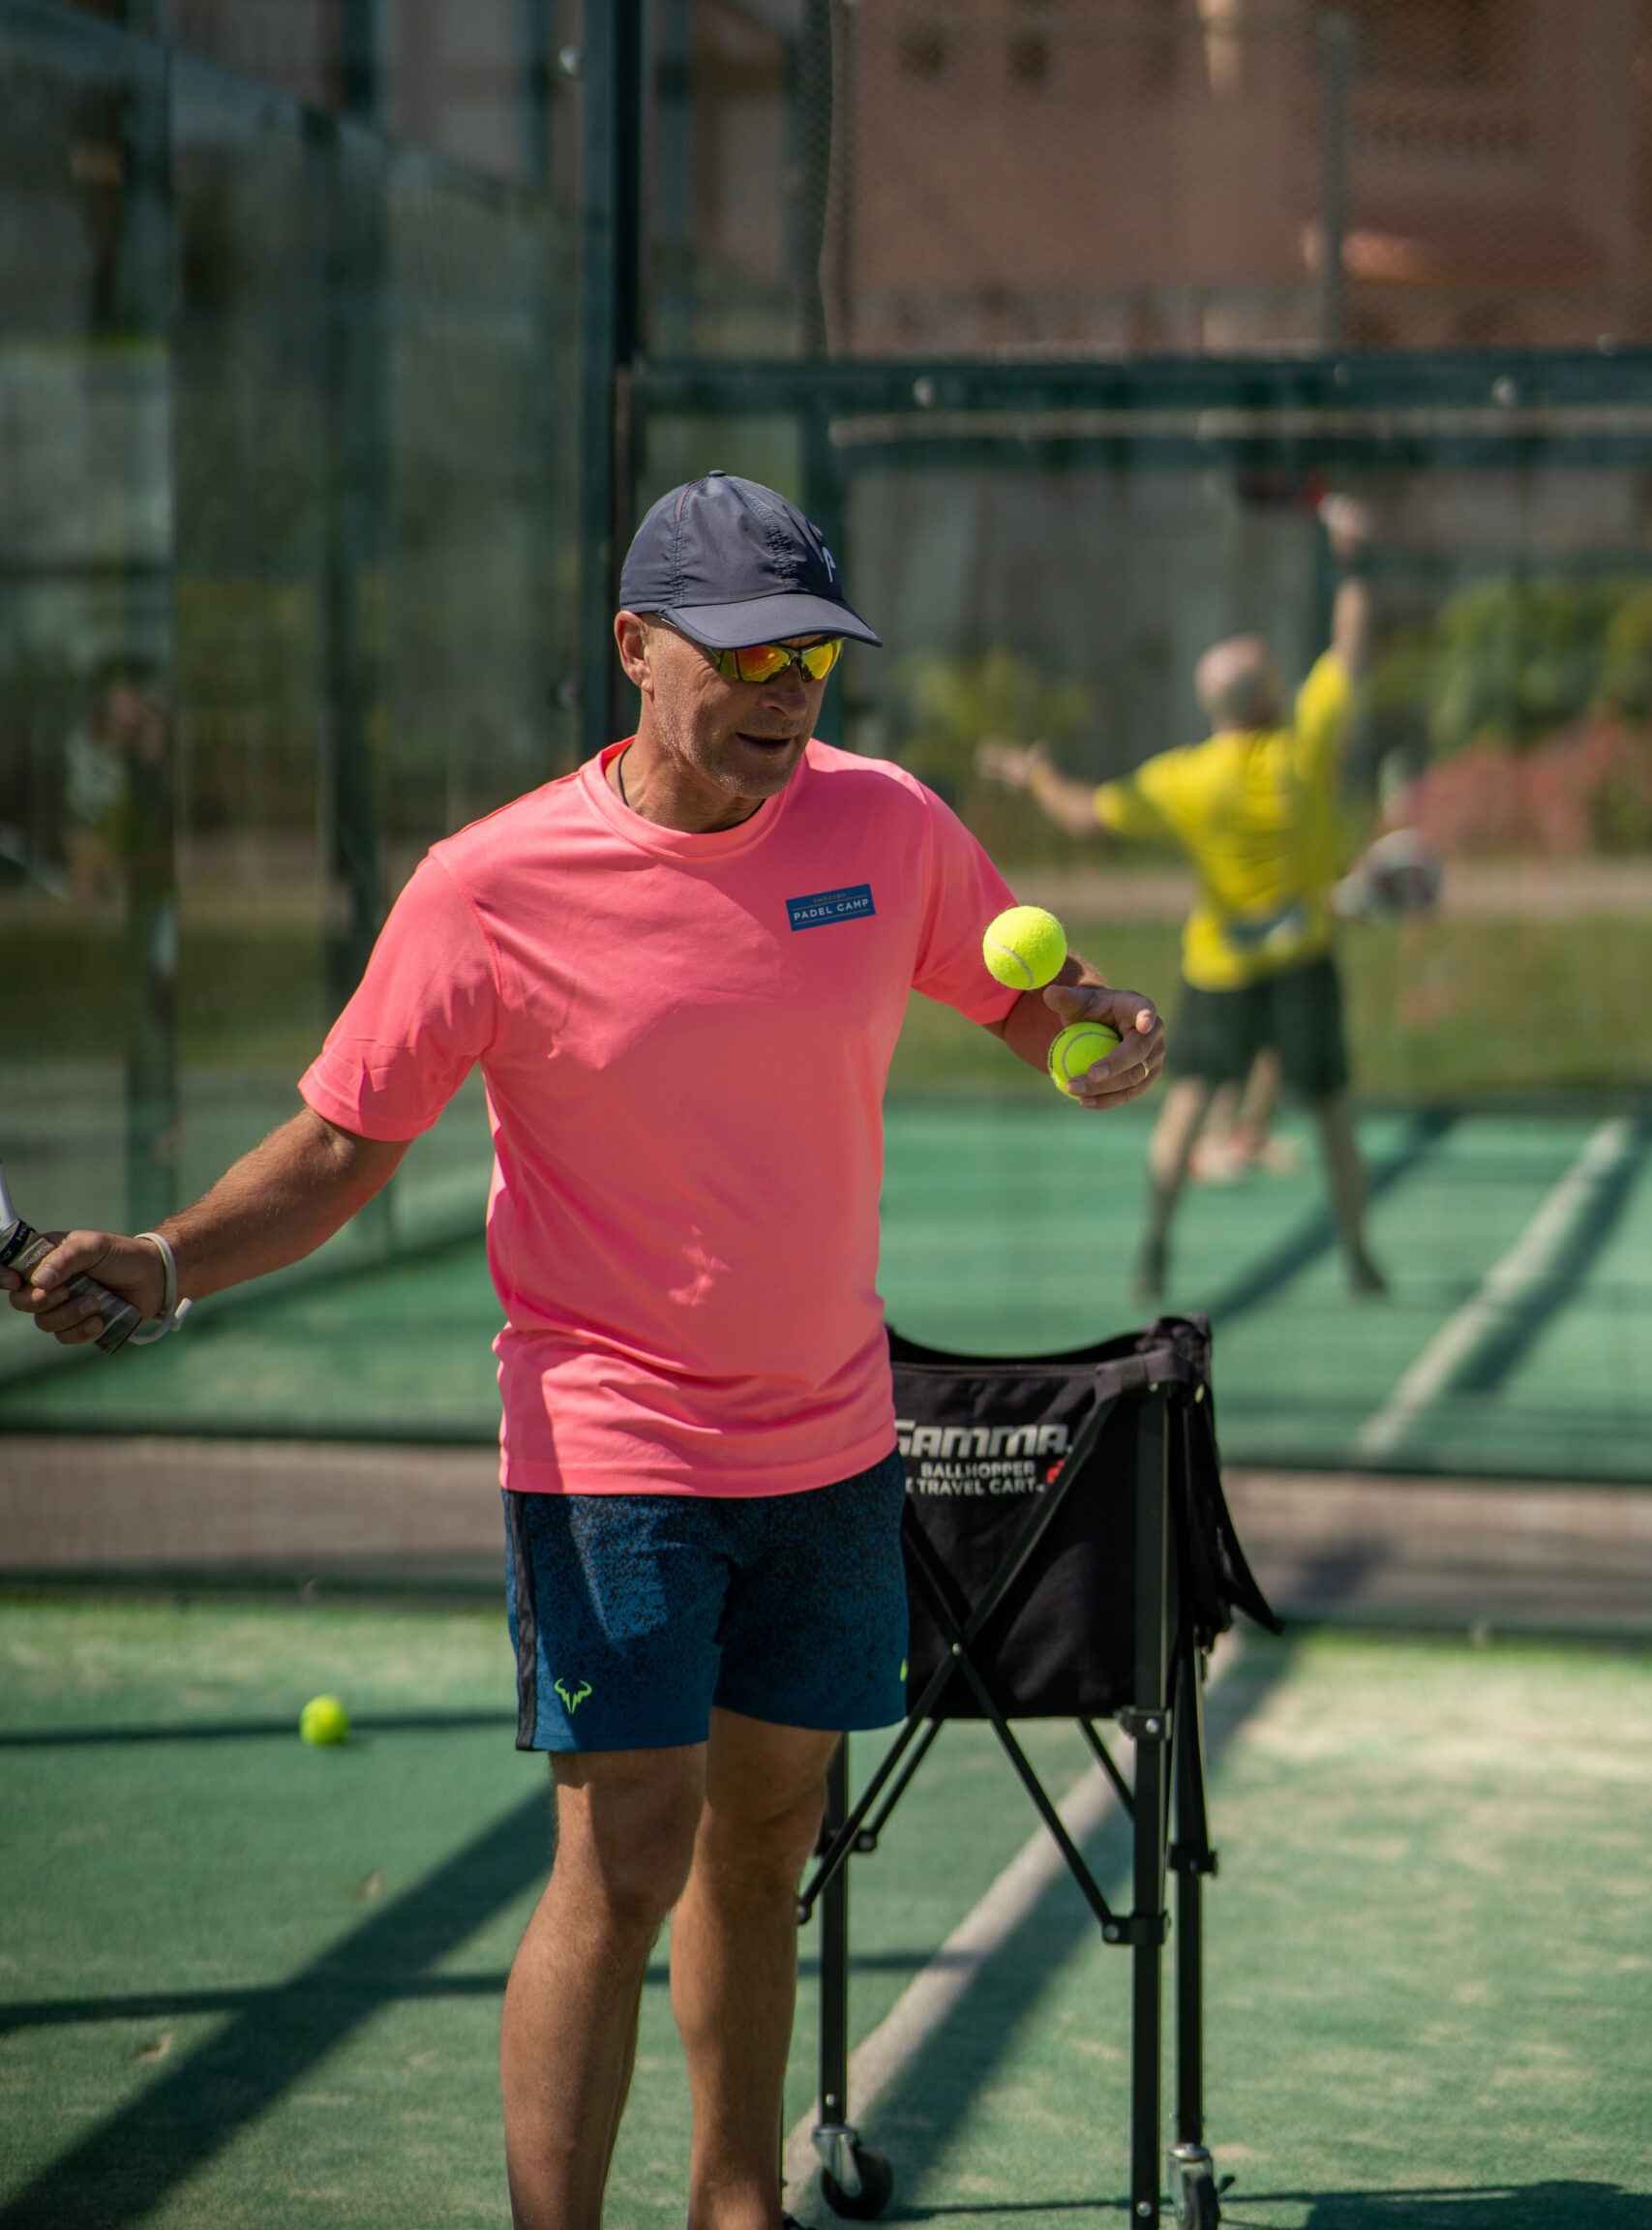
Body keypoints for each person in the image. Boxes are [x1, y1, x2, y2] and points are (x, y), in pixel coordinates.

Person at [5, 472, 1164, 2230]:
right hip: (608, 1441)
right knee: (624, 1854)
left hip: (832, 1436)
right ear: (635, 649)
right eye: (746, 654)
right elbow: (335, 1149)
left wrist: (1085, 1024)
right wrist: (168, 1263)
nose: (785, 694)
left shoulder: (890, 827)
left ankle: (733, 2200)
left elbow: (1011, 987)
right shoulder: (487, 887)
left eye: (815, 662)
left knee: (766, 1848)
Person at [976, 576, 1382, 1302]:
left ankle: (1152, 1253)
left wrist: (1035, 775)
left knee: (1189, 1106)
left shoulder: (1187, 778)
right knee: (1330, 1115)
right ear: (1266, 698)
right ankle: (1357, 1258)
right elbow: (1348, 651)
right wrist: (1351, 563)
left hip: (1220, 970)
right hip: (1301, 967)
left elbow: (1087, 817)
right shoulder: (1304, 750)